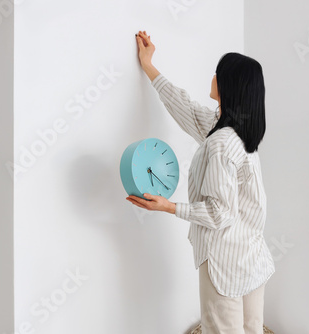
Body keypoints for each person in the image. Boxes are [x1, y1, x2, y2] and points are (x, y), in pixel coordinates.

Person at [127, 30, 275, 334]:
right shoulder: (238, 134)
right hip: (251, 258)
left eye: (218, 73)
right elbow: (186, 109)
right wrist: (149, 65)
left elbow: (219, 212)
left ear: (228, 85)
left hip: (224, 263)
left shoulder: (221, 142)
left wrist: (169, 207)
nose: (213, 76)